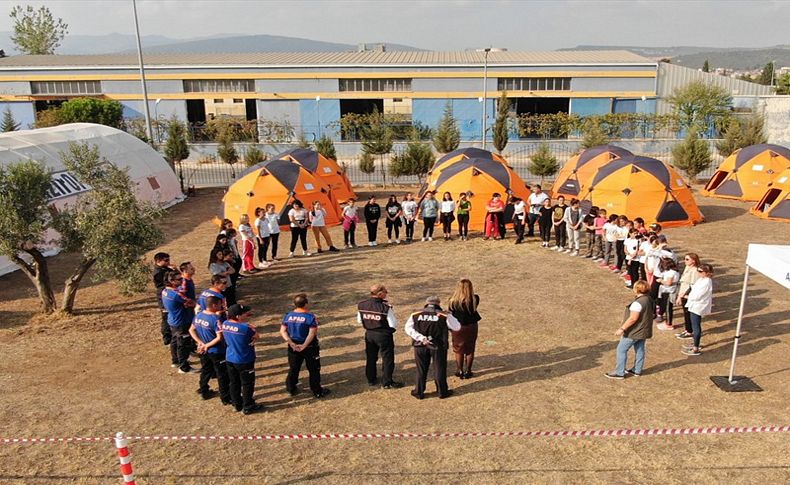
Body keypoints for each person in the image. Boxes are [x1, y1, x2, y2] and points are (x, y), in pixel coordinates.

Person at [405, 296, 461, 399]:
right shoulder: (444, 315)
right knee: (439, 368)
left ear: (426, 303)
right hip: (438, 345)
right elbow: (457, 327)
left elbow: (408, 329)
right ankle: (442, 392)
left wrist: (420, 338)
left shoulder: (416, 314)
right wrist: (450, 315)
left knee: (420, 369)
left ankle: (419, 392)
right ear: (438, 304)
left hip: (420, 345)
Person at [280, 293, 331, 398]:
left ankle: (291, 388)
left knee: (294, 368)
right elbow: (312, 333)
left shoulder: (288, 316)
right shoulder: (310, 317)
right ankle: (317, 390)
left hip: (293, 347)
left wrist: (291, 343)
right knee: (314, 369)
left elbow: (283, 331)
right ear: (306, 304)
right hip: (310, 347)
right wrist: (304, 345)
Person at [604, 280, 655, 379]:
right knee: (640, 349)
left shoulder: (638, 303)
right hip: (643, 330)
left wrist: (622, 329)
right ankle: (637, 370)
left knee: (621, 350)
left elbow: (633, 318)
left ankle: (619, 372)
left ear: (637, 289)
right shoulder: (648, 299)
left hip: (634, 331)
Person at [357, 284, 403, 389]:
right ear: (380, 294)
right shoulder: (385, 308)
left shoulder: (362, 305)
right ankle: (387, 382)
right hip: (383, 335)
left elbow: (359, 320)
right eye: (385, 292)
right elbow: (393, 324)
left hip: (369, 334)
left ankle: (371, 379)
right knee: (387, 358)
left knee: (371, 357)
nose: (387, 293)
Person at [222, 304, 264, 414]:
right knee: (247, 383)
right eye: (244, 313)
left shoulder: (225, 324)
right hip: (244, 359)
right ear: (237, 316)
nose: (246, 314)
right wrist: (251, 328)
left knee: (234, 382)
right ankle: (248, 406)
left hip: (230, 358)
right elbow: (256, 337)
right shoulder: (245, 328)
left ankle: (237, 404)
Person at [189, 296, 231, 404]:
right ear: (214, 305)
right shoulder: (216, 319)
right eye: (219, 304)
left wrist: (200, 343)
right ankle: (225, 397)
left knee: (206, 370)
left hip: (203, 350)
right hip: (217, 351)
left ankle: (204, 391)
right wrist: (207, 345)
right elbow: (219, 337)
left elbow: (191, 330)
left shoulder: (199, 315)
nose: (221, 306)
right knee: (222, 375)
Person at [161, 272, 199, 374]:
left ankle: (175, 361)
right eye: (179, 280)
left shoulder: (165, 291)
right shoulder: (176, 294)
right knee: (183, 344)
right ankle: (184, 367)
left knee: (174, 341)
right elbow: (191, 302)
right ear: (171, 281)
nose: (182, 281)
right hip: (181, 321)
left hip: (173, 320)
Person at [448, 279, 481, 379]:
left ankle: (460, 370)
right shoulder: (474, 299)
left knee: (458, 349)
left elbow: (451, 314)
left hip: (458, 327)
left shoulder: (452, 301)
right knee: (470, 349)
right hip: (471, 326)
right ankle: (468, 370)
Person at [682, 264, 713, 356]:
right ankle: (695, 343)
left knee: (696, 326)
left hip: (698, 306)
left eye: (700, 271)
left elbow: (698, 295)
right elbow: (693, 289)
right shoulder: (701, 280)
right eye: (698, 271)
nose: (698, 273)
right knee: (694, 324)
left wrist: (687, 297)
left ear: (707, 273)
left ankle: (696, 348)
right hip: (694, 304)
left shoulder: (707, 282)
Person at [675, 253, 702, 340]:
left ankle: (690, 331)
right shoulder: (688, 268)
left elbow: (692, 285)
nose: (685, 261)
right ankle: (688, 330)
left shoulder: (695, 271)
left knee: (688, 313)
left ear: (693, 261)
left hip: (687, 295)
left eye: (687, 259)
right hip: (683, 292)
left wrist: (682, 296)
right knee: (686, 313)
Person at [152, 252, 175, 347]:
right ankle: (167, 339)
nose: (168, 262)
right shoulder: (158, 272)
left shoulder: (165, 269)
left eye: (168, 260)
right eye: (166, 260)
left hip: (168, 293)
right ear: (158, 261)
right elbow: (166, 281)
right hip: (163, 295)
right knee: (165, 317)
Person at [656, 257, 680, 331]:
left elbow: (668, 283)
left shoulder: (671, 273)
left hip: (669, 291)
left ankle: (669, 324)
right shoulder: (673, 271)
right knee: (666, 306)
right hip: (667, 290)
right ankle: (667, 322)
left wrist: (661, 280)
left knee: (668, 308)